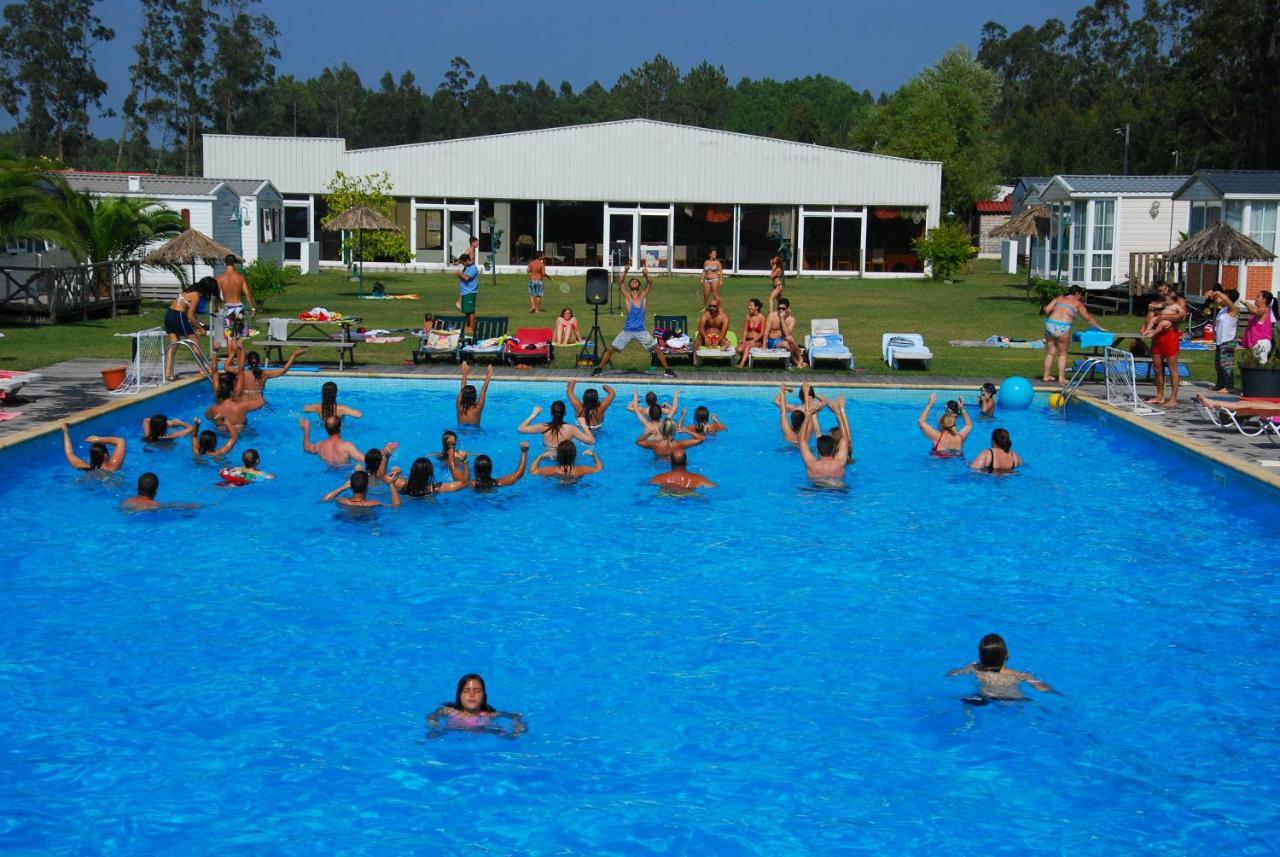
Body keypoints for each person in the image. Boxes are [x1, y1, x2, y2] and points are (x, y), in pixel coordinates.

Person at [591, 259, 676, 377]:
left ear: (639, 285)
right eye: (632, 282)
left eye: (636, 281)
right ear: (630, 285)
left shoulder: (643, 296)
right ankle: (599, 368)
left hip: (641, 330)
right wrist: (625, 272)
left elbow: (650, 283)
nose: (634, 282)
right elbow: (620, 283)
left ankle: (668, 370)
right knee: (610, 349)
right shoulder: (627, 297)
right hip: (628, 330)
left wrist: (646, 275)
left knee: (657, 349)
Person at [947, 633, 1052, 703]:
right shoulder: (1019, 675)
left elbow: (953, 674)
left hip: (986, 697)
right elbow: (1043, 689)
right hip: (1011, 700)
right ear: (1007, 655)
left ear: (980, 657)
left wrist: (961, 668)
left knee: (967, 701)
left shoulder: (976, 668)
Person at [426, 674, 526, 737]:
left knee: (511, 737)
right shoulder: (449, 711)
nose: (471, 694)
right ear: (459, 696)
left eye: (477, 691)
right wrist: (433, 722)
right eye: (466, 691)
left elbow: (515, 715)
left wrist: (518, 724)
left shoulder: (489, 715)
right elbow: (433, 716)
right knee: (431, 736)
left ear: (483, 696)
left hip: (483, 729)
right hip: (451, 729)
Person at [1042, 285, 1106, 384]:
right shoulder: (1077, 303)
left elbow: (1047, 310)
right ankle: (1061, 378)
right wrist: (1100, 327)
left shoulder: (1059, 298)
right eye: (1080, 295)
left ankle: (1046, 376)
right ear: (1077, 293)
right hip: (1063, 327)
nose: (1080, 297)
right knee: (1062, 354)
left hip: (1050, 324)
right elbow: (1088, 318)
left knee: (1050, 353)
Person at [1143, 282, 1188, 408]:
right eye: (1160, 291)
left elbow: (1181, 317)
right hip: (1158, 336)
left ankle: (1173, 398)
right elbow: (1149, 321)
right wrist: (1151, 313)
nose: (1163, 292)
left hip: (1170, 335)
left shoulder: (1179, 301)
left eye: (1165, 289)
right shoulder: (1157, 303)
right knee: (1157, 368)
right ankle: (1160, 396)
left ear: (1168, 288)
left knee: (1172, 369)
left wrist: (1162, 315)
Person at [163, 276, 211, 380]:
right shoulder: (196, 295)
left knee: (173, 343)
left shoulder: (188, 291)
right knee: (194, 341)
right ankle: (202, 369)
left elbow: (190, 312)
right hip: (178, 315)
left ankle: (168, 373)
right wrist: (200, 328)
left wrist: (197, 321)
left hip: (169, 314)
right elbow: (189, 316)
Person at [798, 395, 852, 485]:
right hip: (838, 490)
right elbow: (845, 437)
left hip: (816, 489)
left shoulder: (812, 464)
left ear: (818, 450)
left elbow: (802, 440)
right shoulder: (840, 463)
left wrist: (808, 414)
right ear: (834, 448)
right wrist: (838, 413)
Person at [228, 345, 305, 403]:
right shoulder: (264, 374)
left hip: (245, 403)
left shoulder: (241, 373)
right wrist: (293, 356)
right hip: (259, 403)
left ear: (247, 361)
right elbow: (283, 371)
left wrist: (233, 353)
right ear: (259, 361)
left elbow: (226, 367)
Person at [1203, 287, 1241, 393]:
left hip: (1228, 341)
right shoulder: (1223, 310)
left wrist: (1219, 292)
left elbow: (1226, 300)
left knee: (1226, 365)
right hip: (1220, 341)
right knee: (1218, 365)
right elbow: (1217, 299)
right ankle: (1220, 385)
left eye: (1224, 297)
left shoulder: (1234, 309)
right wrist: (1213, 293)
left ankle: (1229, 387)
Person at [518, 401, 596, 448]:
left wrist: (534, 414)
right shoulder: (570, 428)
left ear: (551, 413)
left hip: (547, 455)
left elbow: (520, 429)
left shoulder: (543, 427)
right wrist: (583, 424)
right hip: (565, 457)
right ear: (565, 413)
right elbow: (591, 441)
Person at [216, 254, 254, 340]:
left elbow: (215, 295)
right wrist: (252, 309)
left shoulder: (220, 278)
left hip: (228, 308)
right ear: (235, 264)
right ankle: (239, 351)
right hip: (239, 307)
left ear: (225, 264)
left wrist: (216, 308)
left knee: (229, 336)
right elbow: (247, 294)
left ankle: (231, 352)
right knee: (241, 336)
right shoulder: (241, 278)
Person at [388, 456, 468, 497]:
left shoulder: (402, 485)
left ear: (412, 471)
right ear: (430, 474)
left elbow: (384, 476)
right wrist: (465, 461)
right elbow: (465, 483)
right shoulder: (436, 489)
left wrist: (396, 472)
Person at [530, 440, 603, 483]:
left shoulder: (552, 470)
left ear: (558, 456)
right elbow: (599, 469)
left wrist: (540, 457)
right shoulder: (580, 470)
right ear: (574, 455)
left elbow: (533, 471)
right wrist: (594, 455)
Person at [762, 298, 806, 368]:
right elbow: (766, 331)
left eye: (783, 308)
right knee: (787, 344)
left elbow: (787, 334)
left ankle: (800, 359)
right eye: (779, 308)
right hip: (773, 341)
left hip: (784, 339)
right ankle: (797, 361)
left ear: (787, 309)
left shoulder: (791, 320)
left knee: (789, 338)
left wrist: (782, 319)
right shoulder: (772, 316)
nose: (780, 310)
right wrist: (764, 345)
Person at [322, 468, 401, 508]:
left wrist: (343, 487)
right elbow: (396, 506)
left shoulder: (342, 501)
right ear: (367, 487)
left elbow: (324, 500)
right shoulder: (373, 504)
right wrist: (391, 484)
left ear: (351, 487)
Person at [637, 415, 706, 458]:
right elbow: (701, 439)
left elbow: (638, 442)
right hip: (673, 466)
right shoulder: (680, 444)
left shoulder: (655, 444)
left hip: (657, 466)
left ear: (661, 430)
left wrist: (649, 434)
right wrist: (687, 431)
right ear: (674, 431)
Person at [649, 448, 715, 491]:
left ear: (670, 462)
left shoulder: (658, 478)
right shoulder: (698, 479)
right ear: (686, 462)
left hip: (666, 496)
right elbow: (712, 486)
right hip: (690, 496)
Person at [1242, 290, 1276, 364]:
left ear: (1264, 300)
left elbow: (1254, 311)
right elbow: (1253, 309)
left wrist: (1246, 303)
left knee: (1260, 367)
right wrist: (1242, 302)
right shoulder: (1259, 309)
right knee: (1254, 367)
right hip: (1255, 343)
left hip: (1261, 343)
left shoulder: (1264, 310)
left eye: (1258, 297)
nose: (1255, 298)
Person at [456, 361, 493, 426]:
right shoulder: (477, 408)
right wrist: (489, 375)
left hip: (461, 431)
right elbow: (483, 390)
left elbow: (462, 388)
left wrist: (465, 373)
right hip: (475, 433)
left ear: (463, 395)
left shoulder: (459, 406)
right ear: (475, 396)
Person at [736, 298, 767, 367]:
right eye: (749, 305)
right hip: (748, 340)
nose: (749, 307)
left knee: (748, 346)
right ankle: (745, 357)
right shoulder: (748, 316)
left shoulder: (762, 318)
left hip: (758, 341)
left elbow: (762, 333)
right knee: (739, 349)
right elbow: (745, 330)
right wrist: (743, 339)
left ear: (757, 307)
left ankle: (742, 364)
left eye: (751, 305)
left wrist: (753, 340)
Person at [456, 252, 480, 337]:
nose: (463, 265)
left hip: (470, 292)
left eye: (463, 263)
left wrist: (459, 274)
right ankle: (468, 325)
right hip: (465, 292)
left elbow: (466, 278)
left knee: (471, 311)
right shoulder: (467, 267)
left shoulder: (473, 268)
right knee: (466, 311)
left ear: (466, 261)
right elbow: (463, 278)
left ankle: (471, 327)